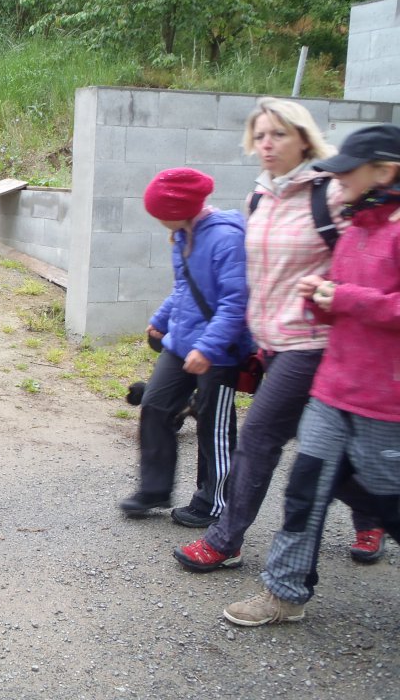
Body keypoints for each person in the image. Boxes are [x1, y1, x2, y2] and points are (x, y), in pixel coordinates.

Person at [174, 98, 385, 573]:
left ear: (304, 139)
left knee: (259, 436)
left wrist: (338, 294)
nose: (267, 144)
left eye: (279, 134)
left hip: (313, 342)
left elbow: (371, 252)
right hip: (270, 342)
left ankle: (225, 540)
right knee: (321, 445)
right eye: (261, 135)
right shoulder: (260, 197)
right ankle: (374, 516)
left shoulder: (332, 192)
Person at [223, 124, 400, 626]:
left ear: (385, 172)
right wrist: (320, 298)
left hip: (384, 403)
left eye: (347, 173)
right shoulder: (355, 227)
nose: (337, 182)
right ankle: (284, 593)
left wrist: (344, 298)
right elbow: (343, 304)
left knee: (389, 500)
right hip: (332, 389)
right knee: (304, 489)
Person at [118, 168, 248, 526]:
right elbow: (183, 289)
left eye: (159, 212)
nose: (156, 219)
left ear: (180, 210)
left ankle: (214, 502)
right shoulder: (181, 235)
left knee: (213, 427)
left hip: (221, 351)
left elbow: (235, 303)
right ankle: (154, 489)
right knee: (155, 405)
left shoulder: (226, 239)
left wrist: (207, 348)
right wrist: (160, 320)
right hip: (182, 340)